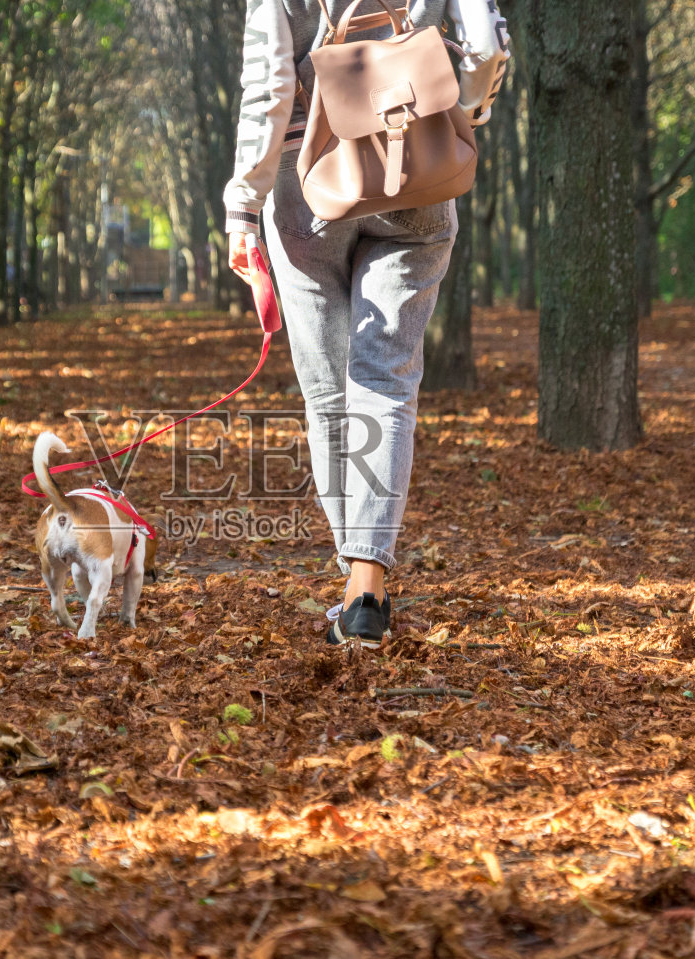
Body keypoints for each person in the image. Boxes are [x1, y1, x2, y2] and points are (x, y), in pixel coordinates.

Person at [224, 0, 509, 648]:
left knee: (330, 395)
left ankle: (354, 588)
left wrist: (243, 204)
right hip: (419, 168)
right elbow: (487, 47)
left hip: (310, 179)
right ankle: (366, 584)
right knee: (385, 379)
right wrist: (463, 109)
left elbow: (269, 81)